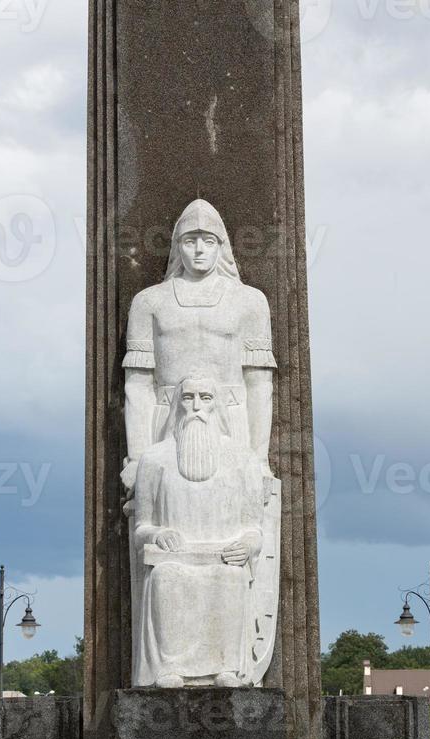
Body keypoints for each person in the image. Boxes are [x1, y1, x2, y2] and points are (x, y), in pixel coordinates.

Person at [122, 199, 276, 491]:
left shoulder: (250, 302)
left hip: (232, 418)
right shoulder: (149, 302)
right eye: (190, 241)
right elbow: (138, 385)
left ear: (221, 245)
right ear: (178, 246)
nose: (200, 249)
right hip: (165, 418)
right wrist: (136, 458)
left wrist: (259, 459)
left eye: (208, 240)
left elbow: (259, 385)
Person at [132, 375, 265, 688]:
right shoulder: (154, 459)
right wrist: (156, 535)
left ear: (217, 405)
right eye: (188, 398)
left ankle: (225, 669)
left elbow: (255, 529)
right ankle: (169, 668)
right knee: (167, 578)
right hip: (175, 560)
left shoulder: (242, 459)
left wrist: (246, 546)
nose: (196, 407)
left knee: (230, 578)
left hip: (222, 560)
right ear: (177, 404)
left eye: (205, 398)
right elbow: (141, 527)